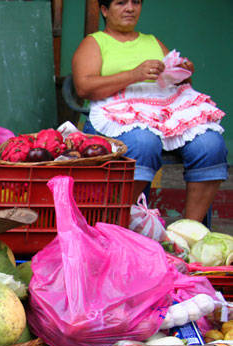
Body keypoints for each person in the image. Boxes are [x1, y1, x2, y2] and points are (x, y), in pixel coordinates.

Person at [72, 0, 228, 222]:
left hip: (164, 113)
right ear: (105, 10)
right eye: (120, 2)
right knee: (144, 142)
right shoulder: (95, 42)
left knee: (210, 144)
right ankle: (119, 224)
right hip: (117, 113)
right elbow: (84, 87)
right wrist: (134, 74)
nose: (130, 8)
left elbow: (177, 84)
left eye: (136, 2)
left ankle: (189, 232)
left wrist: (182, 71)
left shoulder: (152, 41)